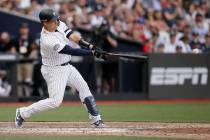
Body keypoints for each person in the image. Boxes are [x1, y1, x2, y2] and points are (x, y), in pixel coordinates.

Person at [15, 9, 106, 128]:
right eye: (53, 21)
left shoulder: (58, 23)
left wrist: (90, 46)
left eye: (56, 19)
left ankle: (96, 119)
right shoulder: (47, 39)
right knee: (55, 101)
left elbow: (72, 36)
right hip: (54, 70)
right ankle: (22, 113)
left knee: (83, 87)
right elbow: (70, 50)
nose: (56, 22)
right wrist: (92, 53)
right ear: (45, 23)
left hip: (67, 66)